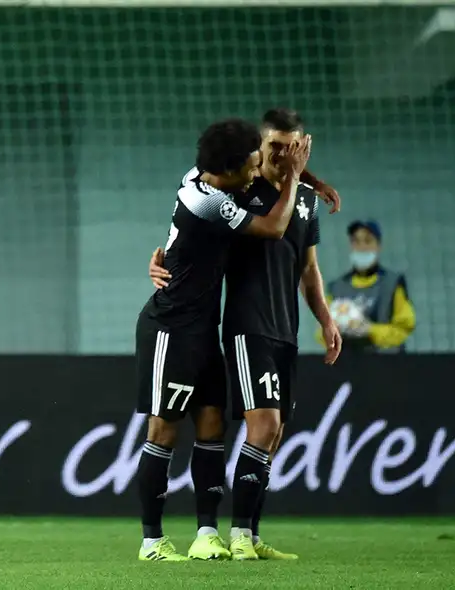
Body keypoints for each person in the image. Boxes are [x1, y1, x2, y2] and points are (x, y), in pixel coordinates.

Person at [149, 108, 342, 561]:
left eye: (291, 148)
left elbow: (308, 269)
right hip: (245, 325)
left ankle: (249, 535)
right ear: (258, 147)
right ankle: (232, 536)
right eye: (273, 146)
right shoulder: (239, 189)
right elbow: (191, 225)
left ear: (302, 147)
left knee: (274, 435)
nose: (281, 155)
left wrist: (326, 319)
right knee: (264, 425)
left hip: (286, 328)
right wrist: (163, 261)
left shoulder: (307, 200)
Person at [318, 220, 415, 353]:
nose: (362, 247)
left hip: (386, 361)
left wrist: (370, 330)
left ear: (378, 246)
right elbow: (321, 333)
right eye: (356, 242)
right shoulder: (337, 288)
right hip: (347, 362)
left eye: (368, 241)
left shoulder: (391, 284)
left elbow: (404, 327)